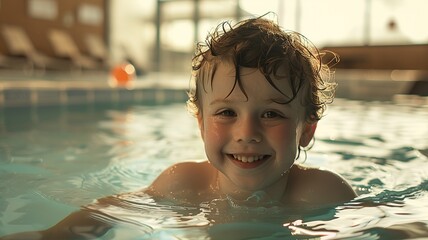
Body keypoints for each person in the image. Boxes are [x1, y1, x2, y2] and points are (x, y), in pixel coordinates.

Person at [0, 16, 356, 240]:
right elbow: (108, 212)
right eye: (227, 112)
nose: (247, 132)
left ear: (306, 129)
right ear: (201, 123)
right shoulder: (184, 183)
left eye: (271, 115)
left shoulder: (324, 192)